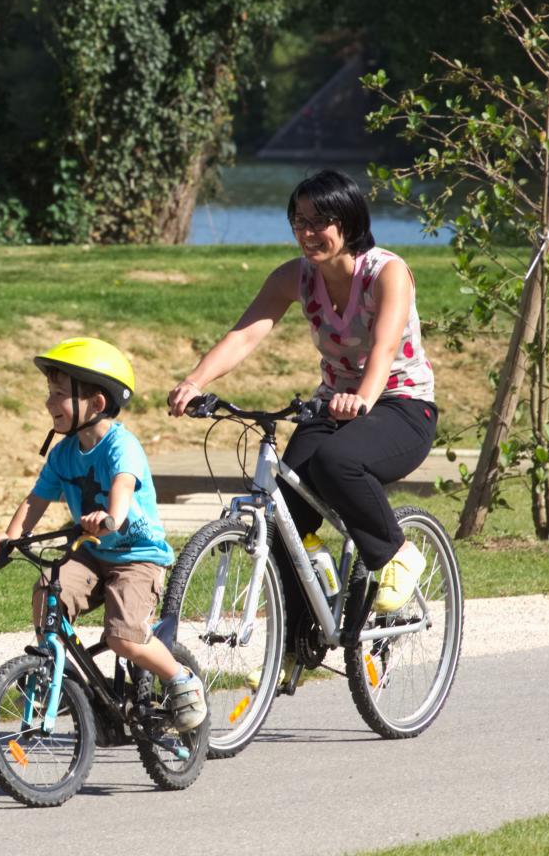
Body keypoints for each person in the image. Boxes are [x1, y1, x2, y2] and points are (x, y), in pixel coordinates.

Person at [166, 169, 438, 622]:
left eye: (319, 222)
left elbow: (384, 348)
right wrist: (196, 381)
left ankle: (398, 553)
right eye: (299, 222)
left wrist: (364, 399)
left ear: (347, 223)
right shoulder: (294, 278)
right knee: (278, 520)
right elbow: (245, 334)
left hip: (401, 405)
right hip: (333, 404)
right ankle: (295, 648)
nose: (308, 233)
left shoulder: (387, 273)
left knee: (337, 462)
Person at [0, 337, 207, 734]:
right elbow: (36, 501)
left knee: (123, 638)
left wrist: (111, 517)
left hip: (137, 555)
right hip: (91, 552)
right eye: (48, 394)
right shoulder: (62, 453)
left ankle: (180, 679)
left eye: (58, 395)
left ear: (96, 404)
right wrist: (10, 536)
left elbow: (121, 487)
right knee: (49, 593)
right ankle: (62, 679)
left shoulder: (122, 447)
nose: (49, 404)